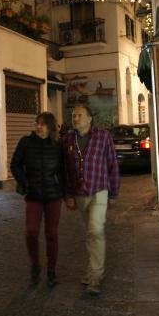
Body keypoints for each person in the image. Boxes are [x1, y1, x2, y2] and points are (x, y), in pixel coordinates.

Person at [63, 104, 120, 297]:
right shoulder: (68, 139)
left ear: (89, 119)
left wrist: (113, 193)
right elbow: (66, 170)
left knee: (95, 230)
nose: (75, 118)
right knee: (90, 232)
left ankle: (95, 276)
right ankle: (91, 269)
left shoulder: (103, 137)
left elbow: (112, 164)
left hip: (99, 190)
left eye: (79, 115)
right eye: (73, 115)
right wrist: (68, 195)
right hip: (79, 193)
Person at [10, 112, 65, 287]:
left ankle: (51, 270)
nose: (38, 126)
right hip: (33, 194)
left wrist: (63, 189)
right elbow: (15, 164)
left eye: (42, 124)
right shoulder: (26, 143)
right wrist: (24, 182)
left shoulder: (57, 145)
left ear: (50, 126)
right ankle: (35, 264)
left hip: (53, 195)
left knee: (51, 234)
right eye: (37, 123)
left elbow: (63, 170)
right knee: (31, 232)